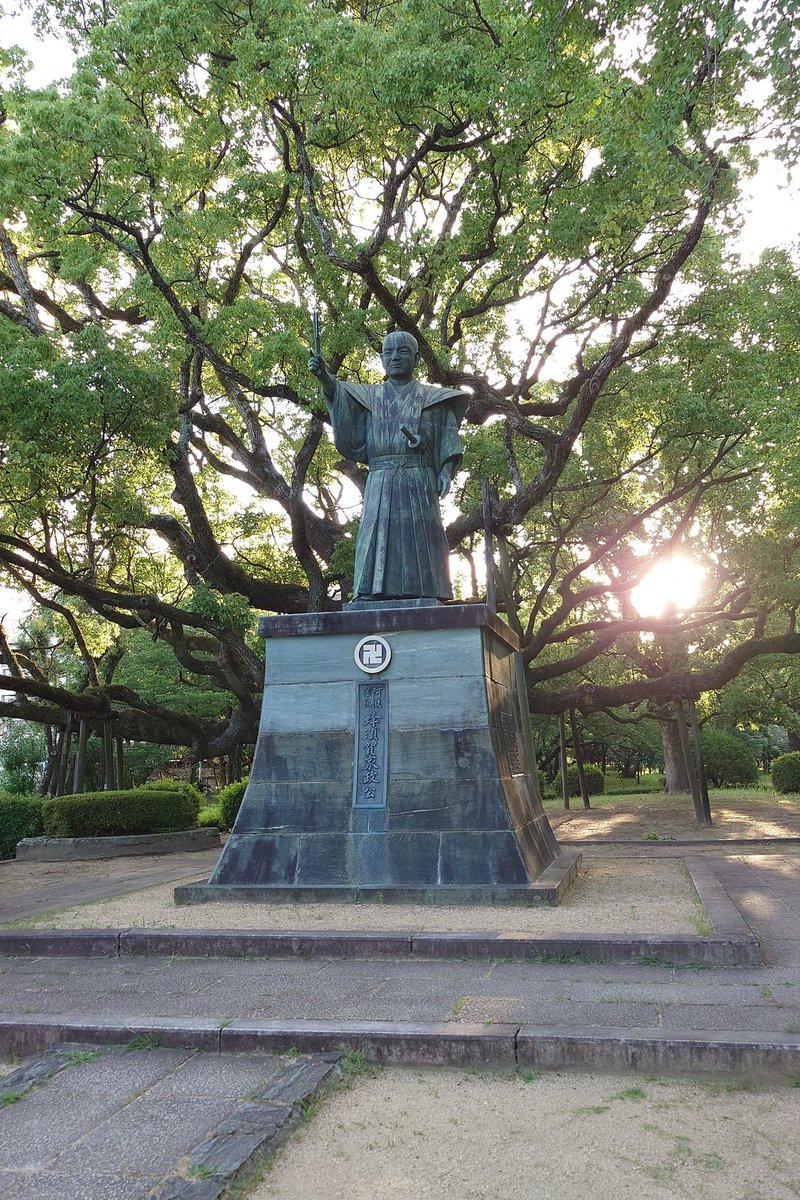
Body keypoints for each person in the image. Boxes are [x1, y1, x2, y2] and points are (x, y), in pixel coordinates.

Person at [309, 331, 468, 602]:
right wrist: (325, 377)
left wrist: (445, 470)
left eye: (403, 352)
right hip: (380, 478)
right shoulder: (369, 397)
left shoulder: (434, 400)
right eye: (388, 353)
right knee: (375, 533)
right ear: (381, 358)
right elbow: (340, 394)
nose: (395, 357)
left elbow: (447, 439)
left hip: (419, 477)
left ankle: (427, 591)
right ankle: (371, 591)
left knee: (422, 535)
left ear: (416, 358)